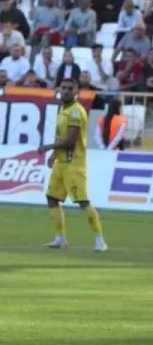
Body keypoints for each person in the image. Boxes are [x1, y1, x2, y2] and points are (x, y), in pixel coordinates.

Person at [38, 78, 107, 252]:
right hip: (61, 163)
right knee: (52, 198)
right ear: (59, 89)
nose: (66, 91)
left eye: (70, 88)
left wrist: (48, 147)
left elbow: (69, 141)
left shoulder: (76, 111)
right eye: (64, 88)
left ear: (77, 92)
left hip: (74, 164)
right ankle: (60, 239)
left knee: (83, 203)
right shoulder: (63, 109)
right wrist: (54, 154)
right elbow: (60, 135)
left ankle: (100, 241)